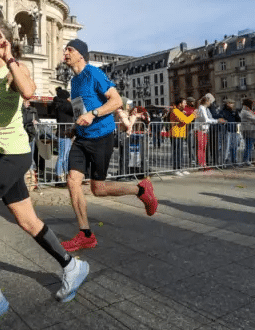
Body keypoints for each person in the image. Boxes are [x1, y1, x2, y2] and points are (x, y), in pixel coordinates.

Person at [0, 18, 88, 330]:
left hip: (13, 154)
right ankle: (71, 265)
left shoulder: (14, 68)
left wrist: (10, 57)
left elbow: (29, 91)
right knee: (27, 221)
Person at [60, 38, 158, 252]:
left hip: (102, 137)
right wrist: (76, 128)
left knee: (98, 189)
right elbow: (81, 109)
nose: (65, 52)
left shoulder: (93, 73)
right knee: (72, 181)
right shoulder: (74, 82)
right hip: (82, 138)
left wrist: (93, 114)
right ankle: (85, 234)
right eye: (65, 49)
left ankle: (140, 190)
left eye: (69, 49)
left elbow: (116, 102)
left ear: (80, 54)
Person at [51, 87, 74, 182]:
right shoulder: (64, 105)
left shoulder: (58, 104)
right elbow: (75, 110)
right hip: (64, 133)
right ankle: (59, 175)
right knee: (63, 156)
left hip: (65, 133)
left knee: (65, 155)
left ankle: (63, 175)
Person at [169, 97, 195, 175]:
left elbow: (185, 121)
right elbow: (186, 120)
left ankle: (180, 168)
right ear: (180, 104)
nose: (185, 104)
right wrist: (193, 116)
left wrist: (189, 117)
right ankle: (176, 169)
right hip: (175, 134)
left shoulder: (179, 111)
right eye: (184, 103)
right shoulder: (175, 111)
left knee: (180, 152)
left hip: (180, 134)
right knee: (177, 153)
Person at [194, 94, 216, 170]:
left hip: (204, 130)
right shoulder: (201, 108)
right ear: (206, 101)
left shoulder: (203, 108)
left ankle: (204, 164)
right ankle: (201, 164)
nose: (210, 103)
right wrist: (216, 121)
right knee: (201, 148)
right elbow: (206, 120)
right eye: (210, 101)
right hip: (200, 130)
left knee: (203, 148)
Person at [218, 98, 241, 166]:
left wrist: (238, 131)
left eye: (232, 103)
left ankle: (234, 160)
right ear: (227, 103)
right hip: (227, 130)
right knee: (227, 147)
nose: (232, 104)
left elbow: (239, 120)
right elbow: (223, 118)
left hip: (234, 130)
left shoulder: (234, 111)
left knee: (234, 146)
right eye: (230, 103)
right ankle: (225, 161)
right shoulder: (223, 111)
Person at [239, 98, 255, 166]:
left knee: (249, 146)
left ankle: (246, 160)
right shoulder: (245, 111)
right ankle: (246, 160)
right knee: (248, 146)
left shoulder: (247, 111)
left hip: (250, 129)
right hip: (248, 129)